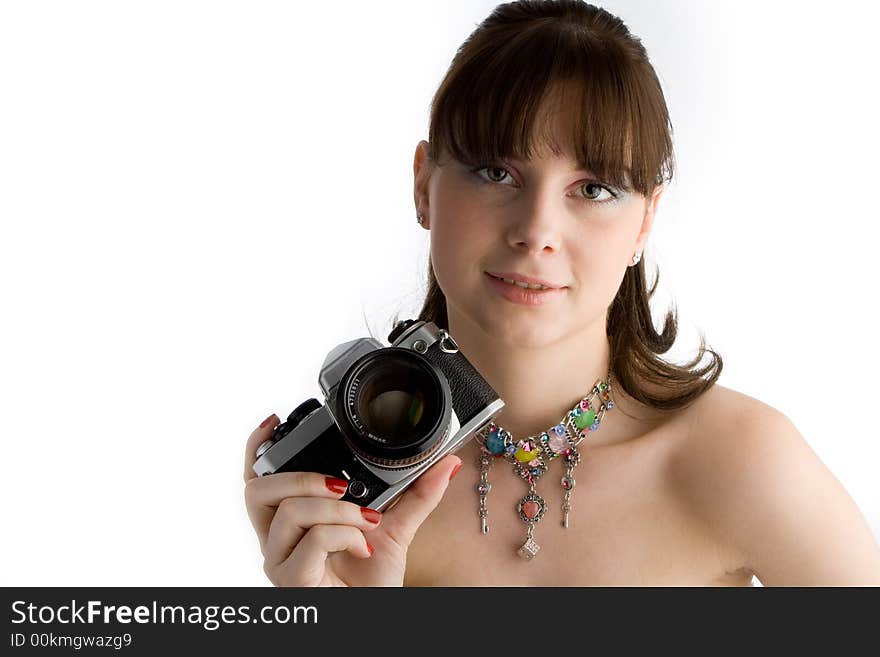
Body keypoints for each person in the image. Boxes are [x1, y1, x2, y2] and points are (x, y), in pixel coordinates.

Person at [243, 0, 880, 586]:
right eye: (497, 172)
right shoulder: (345, 507)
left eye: (594, 188)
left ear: (646, 221)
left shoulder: (740, 460)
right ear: (423, 185)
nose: (536, 231)